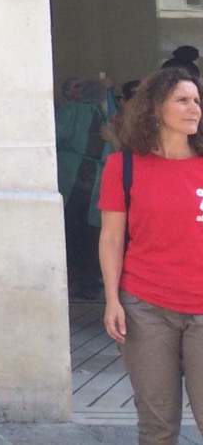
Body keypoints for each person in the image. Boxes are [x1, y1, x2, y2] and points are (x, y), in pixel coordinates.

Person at [98, 66, 203, 445]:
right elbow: (111, 239)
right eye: (182, 100)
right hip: (146, 308)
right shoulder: (123, 166)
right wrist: (112, 300)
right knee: (157, 427)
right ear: (156, 109)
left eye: (196, 100)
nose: (194, 108)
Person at [57, 75, 108, 299]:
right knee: (89, 232)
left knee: (69, 229)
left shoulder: (71, 110)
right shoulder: (105, 114)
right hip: (91, 177)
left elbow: (56, 136)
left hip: (75, 175)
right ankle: (86, 284)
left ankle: (75, 282)